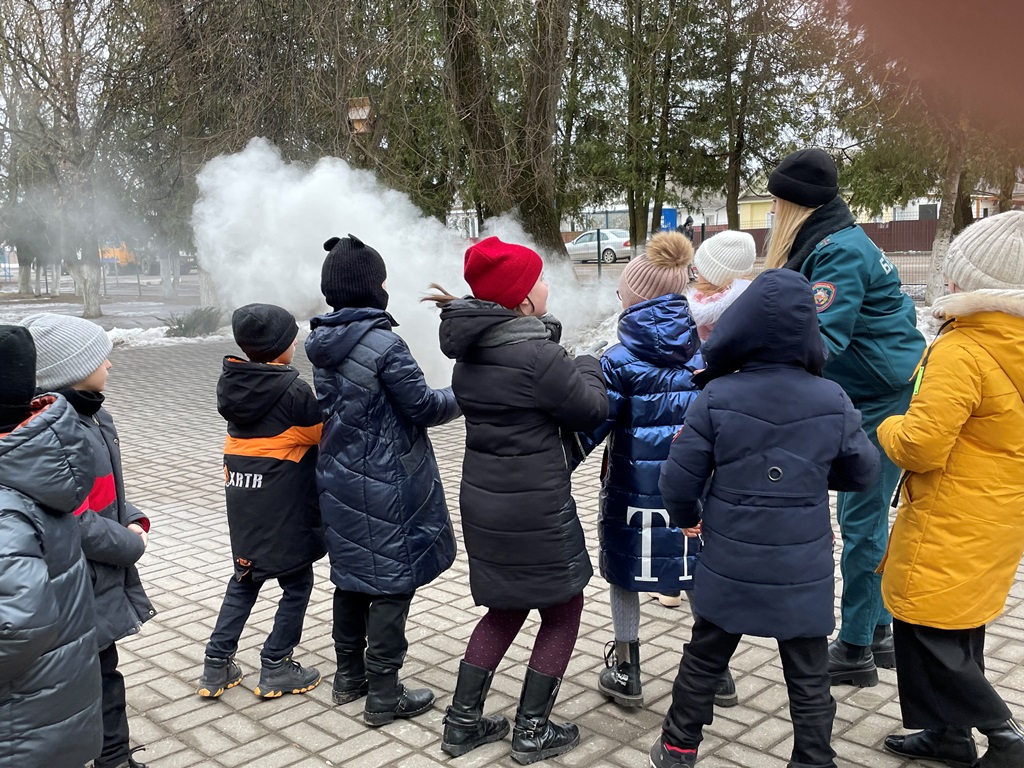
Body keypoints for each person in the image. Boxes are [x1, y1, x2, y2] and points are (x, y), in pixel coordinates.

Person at [649, 269, 880, 768]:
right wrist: (811, 475)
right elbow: (864, 472)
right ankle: (814, 759)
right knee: (809, 675)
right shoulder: (832, 398)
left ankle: (677, 747)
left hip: (730, 559)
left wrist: (689, 518)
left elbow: (677, 480)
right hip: (802, 567)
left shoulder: (716, 396)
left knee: (705, 657)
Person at [424, 236, 608, 763]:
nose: (548, 284)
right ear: (523, 300)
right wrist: (588, 364)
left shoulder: (471, 354)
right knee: (563, 608)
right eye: (540, 279)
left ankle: (461, 725)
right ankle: (532, 729)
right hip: (535, 506)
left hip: (486, 502)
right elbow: (591, 410)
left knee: (505, 608)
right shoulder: (539, 356)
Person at [764, 147, 925, 687]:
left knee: (861, 521)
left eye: (776, 204)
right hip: (871, 387)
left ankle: (855, 646)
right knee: (867, 517)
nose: (771, 215)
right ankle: (878, 631)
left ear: (796, 204)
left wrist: (757, 384)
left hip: (879, 397)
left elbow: (819, 339)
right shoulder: (829, 241)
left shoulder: (838, 252)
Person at [877, 211, 1024, 768]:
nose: (947, 282)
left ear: (976, 283)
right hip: (1000, 514)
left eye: (955, 272)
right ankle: (947, 736)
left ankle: (1006, 737)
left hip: (950, 514)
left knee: (923, 627)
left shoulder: (963, 350)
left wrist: (886, 425)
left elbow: (919, 446)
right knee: (958, 627)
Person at [575, 232, 736, 711]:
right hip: (700, 496)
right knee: (701, 570)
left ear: (635, 298)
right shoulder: (710, 353)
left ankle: (627, 670)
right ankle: (716, 672)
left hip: (633, 497)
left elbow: (590, 426)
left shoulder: (618, 360)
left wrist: (547, 466)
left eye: (622, 291)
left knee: (627, 573)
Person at [306, 234, 460, 727]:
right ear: (373, 287)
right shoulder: (384, 343)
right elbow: (422, 406)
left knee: (351, 578)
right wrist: (464, 390)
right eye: (382, 278)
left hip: (339, 475)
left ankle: (348, 677)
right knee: (393, 584)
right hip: (386, 481)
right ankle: (384, 694)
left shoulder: (322, 343)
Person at [21, 313, 156, 768]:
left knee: (104, 675)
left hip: (96, 577)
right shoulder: (60, 434)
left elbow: (104, 493)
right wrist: (128, 543)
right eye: (101, 356)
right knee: (95, 682)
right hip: (79, 584)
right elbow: (75, 519)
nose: (111, 365)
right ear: (68, 368)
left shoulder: (94, 416)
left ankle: (114, 755)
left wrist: (131, 516)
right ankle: (112, 759)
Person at [197, 304, 326, 700]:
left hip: (244, 499)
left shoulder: (233, 381)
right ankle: (277, 664)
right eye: (292, 338)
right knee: (297, 582)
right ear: (282, 347)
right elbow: (322, 433)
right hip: (282, 507)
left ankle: (215, 666)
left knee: (245, 578)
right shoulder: (292, 391)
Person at [0, 326, 103, 767]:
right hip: (43, 711)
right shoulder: (31, 472)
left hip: (18, 728)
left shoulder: (6, 506)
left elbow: (18, 624)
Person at [686, 230, 757, 342]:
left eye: (699, 271)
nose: (697, 276)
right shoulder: (754, 304)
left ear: (710, 276)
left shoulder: (699, 314)